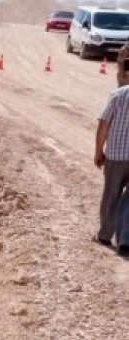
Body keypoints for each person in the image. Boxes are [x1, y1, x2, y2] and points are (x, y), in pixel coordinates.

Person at [95, 46, 129, 254]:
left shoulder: (117, 95)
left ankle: (105, 235)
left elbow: (103, 125)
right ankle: (125, 241)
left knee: (111, 195)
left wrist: (98, 152)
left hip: (116, 156)